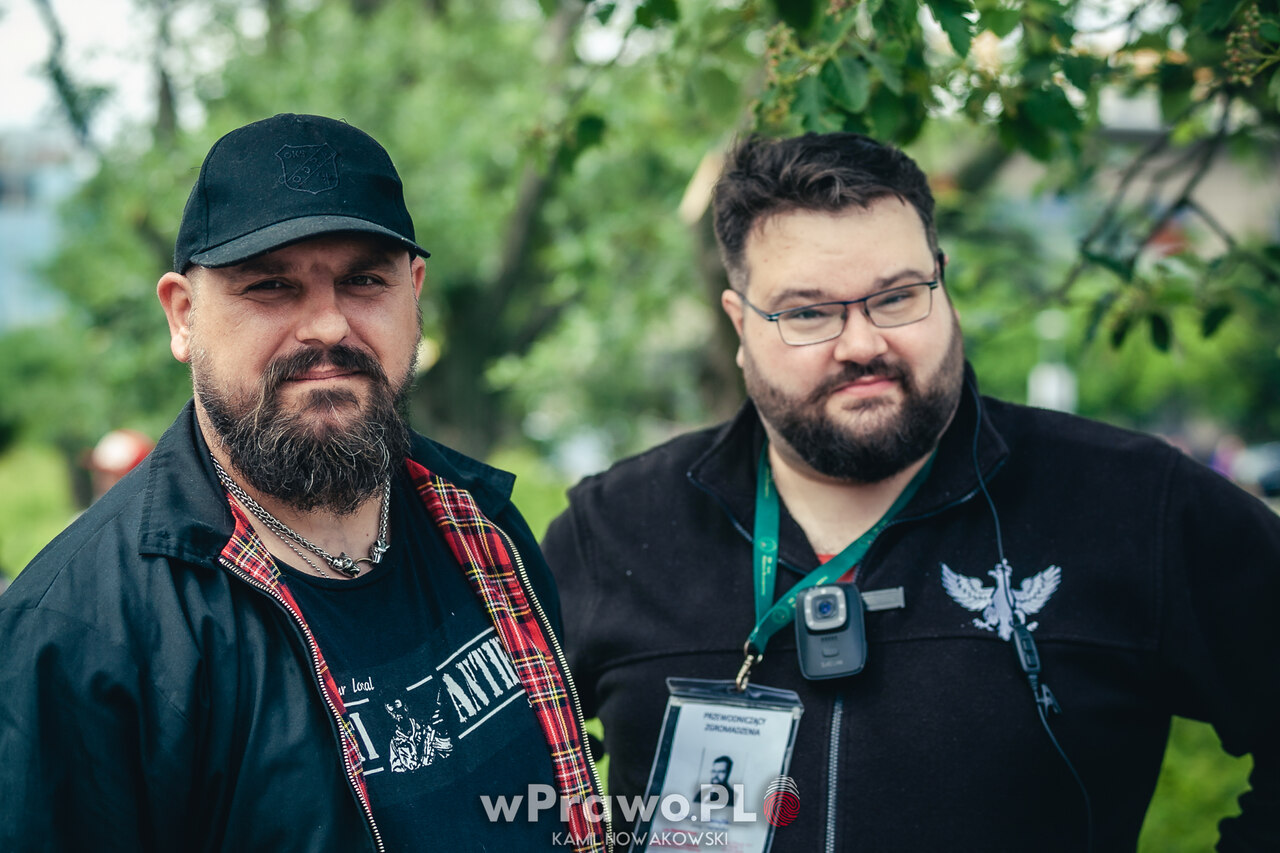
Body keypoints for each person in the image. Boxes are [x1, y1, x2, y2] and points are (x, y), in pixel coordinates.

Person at [541, 132, 1280, 852]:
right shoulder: (611, 529)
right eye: (808, 312)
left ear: (943, 282)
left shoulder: (1131, 503)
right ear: (740, 325)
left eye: (896, 297)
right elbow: (491, 786)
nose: (863, 343)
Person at [0, 113, 605, 853]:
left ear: (413, 293)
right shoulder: (78, 639)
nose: (325, 325)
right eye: (271, 286)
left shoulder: (482, 523)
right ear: (183, 316)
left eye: (363, 280)